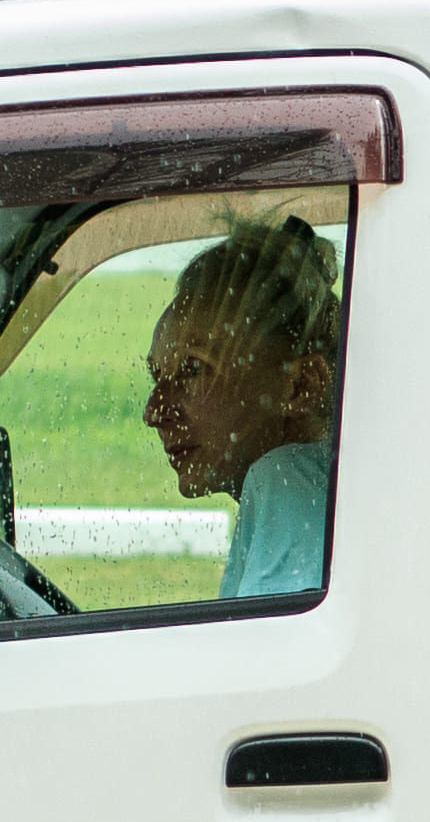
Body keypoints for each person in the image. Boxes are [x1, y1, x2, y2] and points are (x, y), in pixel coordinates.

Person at [142, 215, 342, 599]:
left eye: (193, 369)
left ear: (301, 386)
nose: (154, 411)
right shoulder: (328, 488)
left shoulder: (287, 480)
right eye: (157, 377)